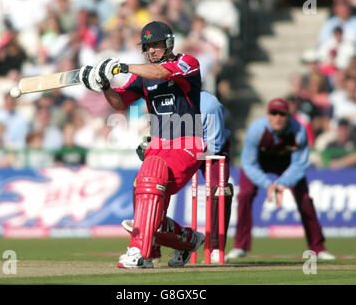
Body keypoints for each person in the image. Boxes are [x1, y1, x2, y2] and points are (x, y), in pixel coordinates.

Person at [80, 21, 206, 268]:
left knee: (149, 185)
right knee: (146, 200)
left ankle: (139, 251)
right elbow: (119, 103)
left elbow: (162, 73)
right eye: (148, 47)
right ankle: (188, 240)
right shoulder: (143, 76)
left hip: (187, 142)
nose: (152, 51)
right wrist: (104, 85)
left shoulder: (188, 63)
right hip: (158, 144)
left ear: (169, 43)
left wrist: (123, 67)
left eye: (156, 45)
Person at [121, 90, 234, 264]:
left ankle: (214, 249)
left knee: (219, 190)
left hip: (211, 150)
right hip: (180, 147)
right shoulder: (164, 99)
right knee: (145, 180)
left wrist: (187, 154)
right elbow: (164, 136)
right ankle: (150, 245)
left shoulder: (209, 103)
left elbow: (214, 145)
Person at [227, 98, 336, 260]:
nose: (278, 117)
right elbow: (249, 164)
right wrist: (268, 184)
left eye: (282, 114)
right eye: (273, 113)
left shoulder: (298, 131)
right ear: (267, 115)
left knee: (304, 199)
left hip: (287, 165)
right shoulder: (256, 130)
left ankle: (318, 247)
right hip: (259, 164)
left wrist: (282, 183)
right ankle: (240, 246)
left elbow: (300, 164)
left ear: (289, 116)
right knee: (245, 194)